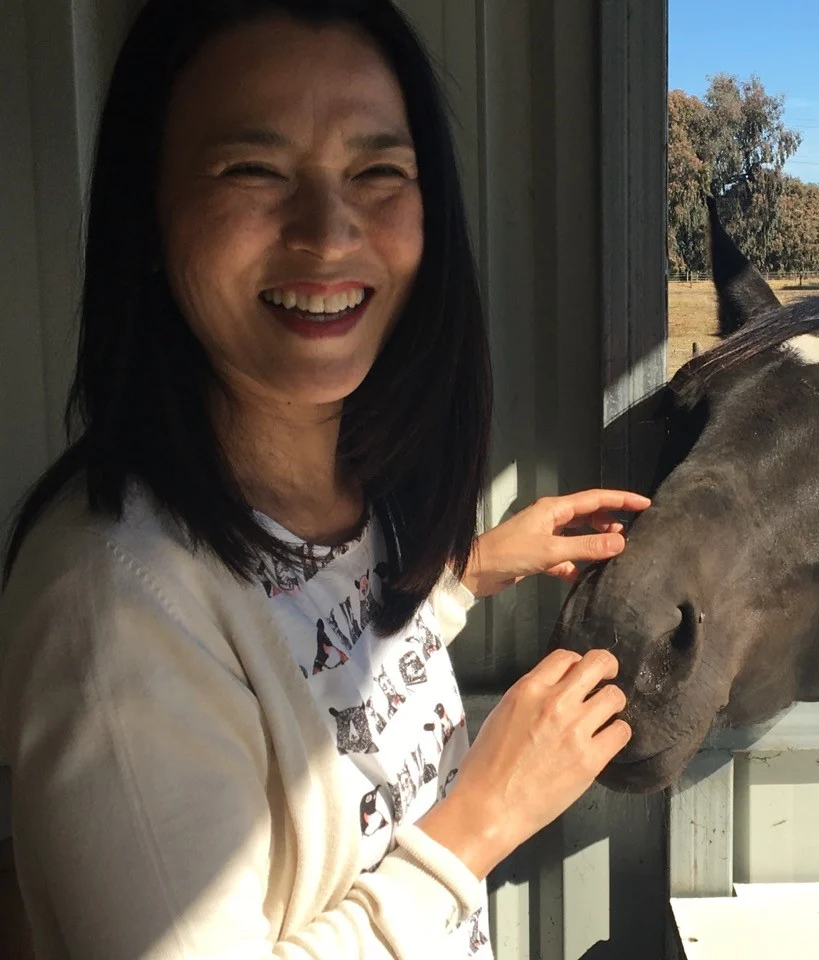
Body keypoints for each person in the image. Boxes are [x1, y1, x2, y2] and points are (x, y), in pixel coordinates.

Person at [0, 1, 647, 956]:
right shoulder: (111, 610)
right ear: (149, 209)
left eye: (379, 171)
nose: (330, 230)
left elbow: (324, 672)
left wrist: (462, 576)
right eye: (253, 169)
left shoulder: (346, 480)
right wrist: (480, 825)